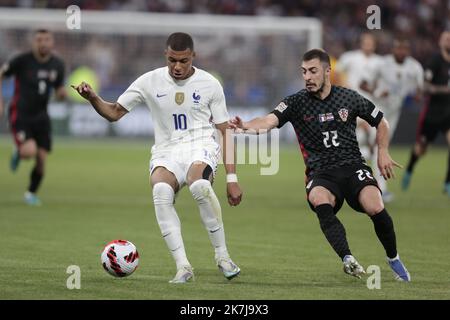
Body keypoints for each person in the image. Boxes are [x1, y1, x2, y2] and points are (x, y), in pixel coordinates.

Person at [72, 32, 243, 283]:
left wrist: (232, 177)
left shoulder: (210, 84)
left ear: (193, 56)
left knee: (200, 185)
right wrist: (93, 98)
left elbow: (225, 131)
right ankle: (183, 267)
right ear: (166, 55)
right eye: (172, 60)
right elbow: (115, 113)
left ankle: (223, 256)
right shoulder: (149, 81)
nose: (177, 66)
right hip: (166, 151)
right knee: (161, 192)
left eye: (183, 61)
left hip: (200, 146)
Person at [230, 49, 411, 281]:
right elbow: (267, 121)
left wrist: (383, 152)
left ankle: (393, 258)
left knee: (375, 206)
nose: (307, 77)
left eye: (313, 71)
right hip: (321, 172)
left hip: (353, 166)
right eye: (304, 72)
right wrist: (244, 125)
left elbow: (381, 121)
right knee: (319, 199)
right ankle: (347, 258)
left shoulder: (348, 97)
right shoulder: (295, 102)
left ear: (327, 71)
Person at [0, 29, 66, 206]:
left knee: (41, 160)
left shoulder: (58, 65)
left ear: (52, 42)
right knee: (30, 152)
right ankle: (19, 150)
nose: (43, 43)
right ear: (33, 43)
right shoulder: (21, 61)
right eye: (39, 40)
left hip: (42, 117)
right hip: (20, 114)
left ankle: (30, 193)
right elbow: (1, 74)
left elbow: (59, 89)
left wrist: (62, 94)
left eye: (46, 40)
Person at [360, 38, 424, 200]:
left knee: (378, 148)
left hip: (394, 113)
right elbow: (363, 84)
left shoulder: (415, 67)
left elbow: (420, 91)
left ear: (408, 50)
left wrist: (415, 95)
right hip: (377, 109)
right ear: (393, 49)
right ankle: (380, 188)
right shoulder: (382, 65)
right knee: (381, 147)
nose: (401, 51)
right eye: (398, 48)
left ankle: (362, 156)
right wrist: (376, 92)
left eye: (404, 48)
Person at [335, 33, 391, 201]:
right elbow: (337, 74)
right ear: (361, 43)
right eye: (365, 42)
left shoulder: (380, 62)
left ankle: (381, 187)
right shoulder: (349, 58)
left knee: (378, 148)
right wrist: (343, 88)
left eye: (370, 42)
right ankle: (345, 185)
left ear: (374, 44)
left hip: (372, 110)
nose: (368, 45)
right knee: (348, 148)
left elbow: (385, 84)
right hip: (350, 109)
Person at [402, 31, 450, 197]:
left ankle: (448, 182)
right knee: (421, 149)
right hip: (432, 114)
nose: (449, 41)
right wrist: (444, 89)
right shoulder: (435, 61)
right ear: (440, 42)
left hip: (448, 114)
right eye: (446, 38)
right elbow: (426, 86)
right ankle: (409, 169)